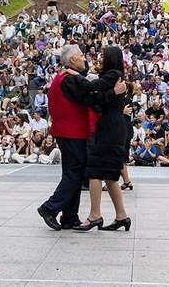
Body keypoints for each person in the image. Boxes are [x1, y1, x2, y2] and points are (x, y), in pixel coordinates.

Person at [37, 44, 125, 231]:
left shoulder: (66, 77)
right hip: (71, 131)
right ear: (72, 61)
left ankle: (69, 217)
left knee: (73, 172)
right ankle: (49, 208)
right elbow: (89, 99)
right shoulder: (68, 79)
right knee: (75, 172)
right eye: (81, 56)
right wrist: (113, 93)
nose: (85, 58)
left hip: (70, 131)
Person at [73, 46, 132, 232]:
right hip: (114, 124)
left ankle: (94, 216)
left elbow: (91, 88)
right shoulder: (114, 76)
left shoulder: (112, 75)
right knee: (109, 173)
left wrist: (72, 73)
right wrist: (110, 93)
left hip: (110, 126)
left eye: (103, 55)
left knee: (95, 171)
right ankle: (122, 216)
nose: (100, 57)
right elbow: (97, 98)